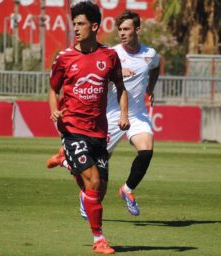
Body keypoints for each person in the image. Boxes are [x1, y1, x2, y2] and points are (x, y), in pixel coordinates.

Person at [47, 10, 160, 217]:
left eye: (126, 29)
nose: (122, 33)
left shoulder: (150, 54)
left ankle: (127, 189)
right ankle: (69, 167)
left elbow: (156, 68)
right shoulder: (112, 53)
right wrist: (116, 74)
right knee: (93, 174)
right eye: (119, 30)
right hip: (109, 117)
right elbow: (96, 75)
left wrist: (151, 88)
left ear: (137, 30)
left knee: (147, 150)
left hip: (136, 115)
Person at [48, 1, 130, 254]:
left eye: (81, 23)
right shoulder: (64, 58)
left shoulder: (109, 56)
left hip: (98, 131)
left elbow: (120, 87)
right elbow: (53, 88)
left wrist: (124, 114)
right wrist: (54, 109)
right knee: (93, 182)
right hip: (71, 127)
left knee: (98, 191)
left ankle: (66, 161)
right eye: (74, 24)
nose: (76, 28)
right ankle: (99, 240)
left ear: (95, 26)